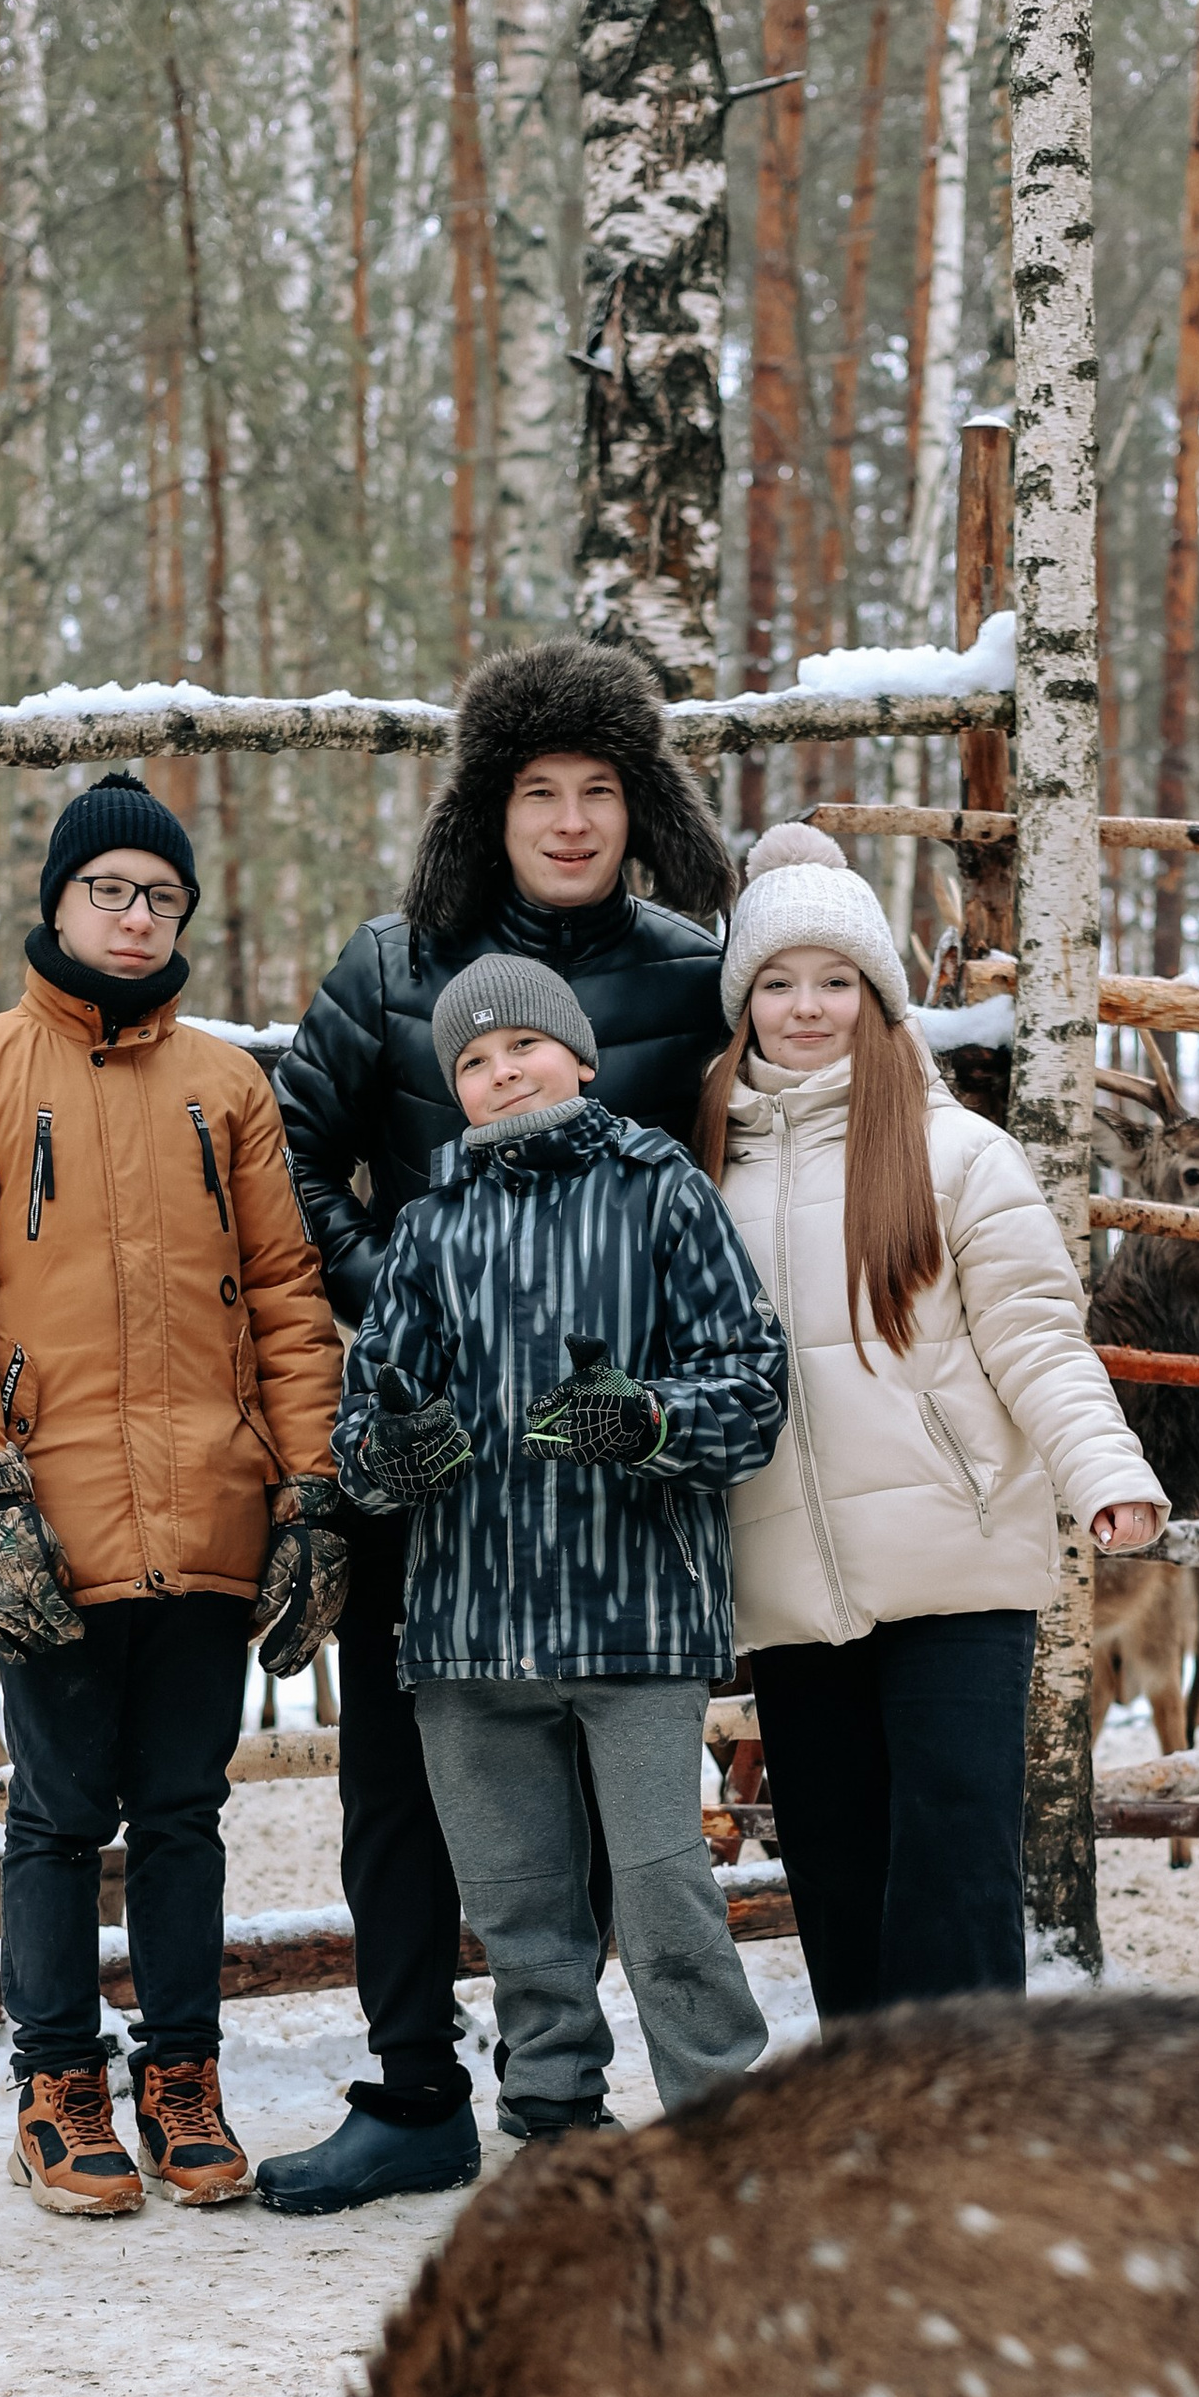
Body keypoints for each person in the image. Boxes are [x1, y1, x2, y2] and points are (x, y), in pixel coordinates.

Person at [262, 640, 736, 2210]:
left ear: (640, 800)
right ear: (491, 804)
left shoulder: (689, 965)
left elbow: (799, 1076)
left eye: (603, 788)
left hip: (621, 1492)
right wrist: (393, 1273)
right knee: (411, 1793)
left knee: (631, 1831)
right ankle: (417, 2092)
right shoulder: (395, 963)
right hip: (449, 1483)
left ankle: (628, 2108)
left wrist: (663, 1405)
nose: (574, 819)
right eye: (540, 790)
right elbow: (293, 1146)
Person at [0, 771, 345, 2218]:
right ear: (59, 904)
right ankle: (56, 2087)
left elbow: (284, 1296)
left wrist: (313, 1489)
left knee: (188, 1810)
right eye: (110, 893)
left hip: (209, 1509)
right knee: (61, 1814)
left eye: (161, 898)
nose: (136, 919)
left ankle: (181, 2075)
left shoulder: (227, 1087)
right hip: (52, 1513)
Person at [699, 824, 1168, 2019]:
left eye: (836, 982)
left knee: (956, 1853)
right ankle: (874, 2121)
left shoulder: (958, 1154)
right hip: (789, 1579)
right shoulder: (700, 1171)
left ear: (878, 996)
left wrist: (1102, 1469)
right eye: (778, 982)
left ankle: (969, 2125)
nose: (806, 1009)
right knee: (837, 1860)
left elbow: (1035, 1337)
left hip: (957, 1566)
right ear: (742, 999)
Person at [331, 958, 787, 2141]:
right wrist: (402, 1452)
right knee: (520, 1901)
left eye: (521, 1047)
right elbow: (361, 1435)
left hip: (635, 1613)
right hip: (471, 1626)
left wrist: (644, 1423)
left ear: (577, 1057)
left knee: (660, 1890)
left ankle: (719, 2126)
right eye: (471, 1063)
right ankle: (549, 2107)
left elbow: (751, 1387)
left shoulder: (661, 1193)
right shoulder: (428, 1232)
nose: (499, 1073)